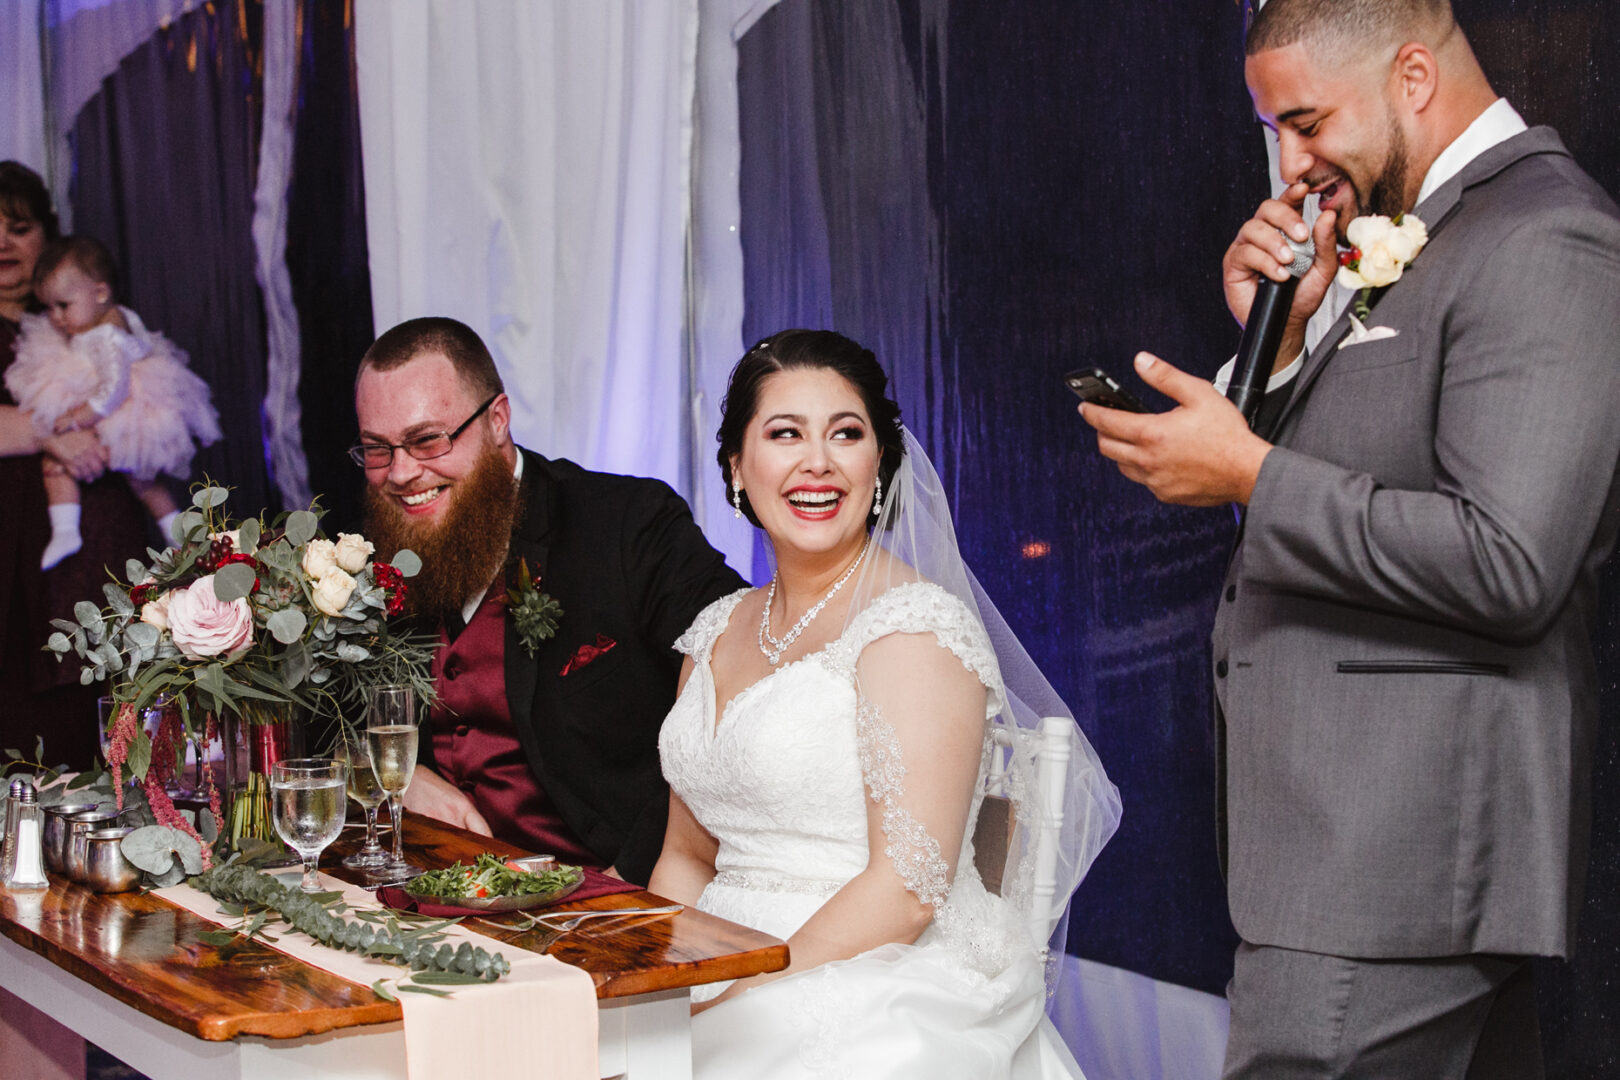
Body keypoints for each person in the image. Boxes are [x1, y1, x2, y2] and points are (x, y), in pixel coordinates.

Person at [1080, 2, 1620, 1076]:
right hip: (1351, 855)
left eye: (1307, 121)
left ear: (1413, 77)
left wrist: (1247, 471)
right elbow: (1365, 470)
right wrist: (1282, 334)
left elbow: (1511, 562)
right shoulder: (1425, 230)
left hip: (1389, 857)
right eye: (1275, 130)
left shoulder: (1546, 233)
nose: (1290, 163)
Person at [650, 329, 1120, 1078]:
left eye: (846, 434)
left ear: (879, 463)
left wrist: (736, 984)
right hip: (715, 958)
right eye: (784, 434)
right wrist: (655, 981)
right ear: (738, 465)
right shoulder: (716, 629)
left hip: (869, 970)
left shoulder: (914, 628)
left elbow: (905, 892)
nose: (818, 463)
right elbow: (685, 853)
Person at [352, 316, 744, 884]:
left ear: (497, 420)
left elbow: (740, 702)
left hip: (613, 893)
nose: (403, 473)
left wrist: (630, 879)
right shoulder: (369, 552)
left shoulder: (630, 526)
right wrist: (399, 771)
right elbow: (322, 718)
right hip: (430, 892)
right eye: (377, 450)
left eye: (427, 440)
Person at [0, 162, 146, 768]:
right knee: (27, 751)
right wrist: (53, 435)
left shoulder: (88, 320)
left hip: (100, 558)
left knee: (111, 743)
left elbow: (152, 403)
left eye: (19, 226)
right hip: (14, 561)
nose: (2, 243)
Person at [6, 235, 221, 568]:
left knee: (109, 473)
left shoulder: (107, 336)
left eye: (63, 306)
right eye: (50, 308)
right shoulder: (107, 319)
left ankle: (173, 533)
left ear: (101, 293)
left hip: (116, 408)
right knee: (114, 476)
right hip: (108, 401)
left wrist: (79, 418)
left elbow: (114, 387)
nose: (56, 318)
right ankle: (168, 533)